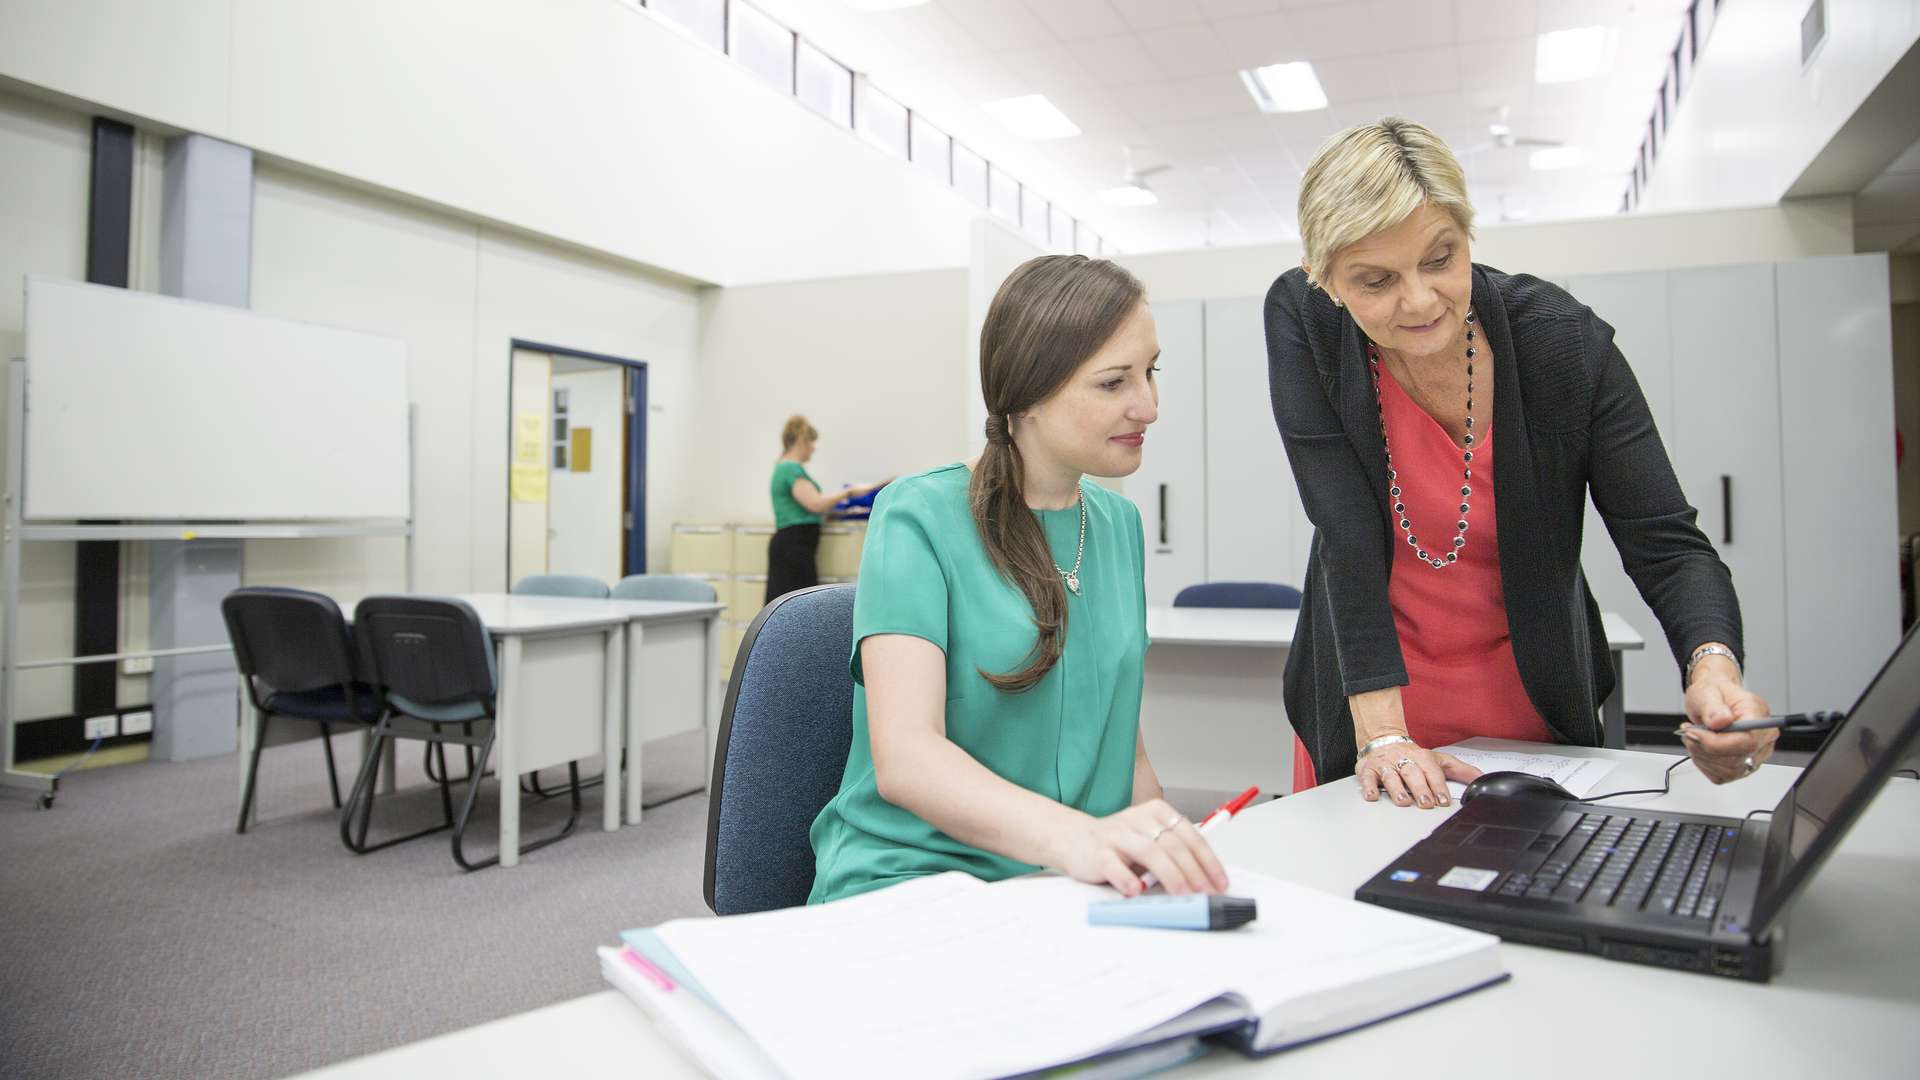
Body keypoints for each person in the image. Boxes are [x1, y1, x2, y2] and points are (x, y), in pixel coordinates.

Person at [1265, 118, 1776, 810]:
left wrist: (1712, 665)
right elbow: (1344, 528)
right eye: (1375, 281)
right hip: (1369, 698)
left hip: (1526, 694)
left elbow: (1665, 541)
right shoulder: (1304, 320)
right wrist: (1383, 735)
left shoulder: (1562, 346)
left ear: (1469, 236)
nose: (1418, 300)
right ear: (1323, 279)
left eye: (1441, 259)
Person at [808, 255, 1229, 904]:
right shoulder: (918, 515)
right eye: (1114, 382)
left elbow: (1126, 754)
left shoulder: (1117, 526)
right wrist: (1074, 839)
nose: (1148, 406)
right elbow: (906, 758)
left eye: (1151, 372)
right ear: (1028, 393)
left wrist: (1172, 855)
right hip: (916, 881)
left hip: (1069, 880)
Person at [766, 415, 878, 605]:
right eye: (811, 442)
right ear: (801, 440)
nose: (813, 448)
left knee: (790, 605)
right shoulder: (791, 469)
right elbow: (815, 504)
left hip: (793, 545)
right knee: (799, 606)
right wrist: (848, 493)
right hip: (794, 546)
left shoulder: (783, 467)